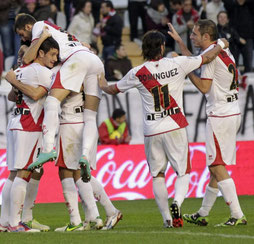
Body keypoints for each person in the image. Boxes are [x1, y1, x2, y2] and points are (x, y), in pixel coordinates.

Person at [98, 29, 229, 228]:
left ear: (143, 50)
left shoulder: (137, 72)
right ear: (161, 47)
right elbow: (208, 57)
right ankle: (177, 202)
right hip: (175, 124)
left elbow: (113, 89)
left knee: (157, 175)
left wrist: (100, 81)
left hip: (152, 129)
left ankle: (167, 218)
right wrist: (222, 44)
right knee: (183, 172)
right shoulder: (177, 63)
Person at [14, 14, 104, 224]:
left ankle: (48, 149)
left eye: (23, 34)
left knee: (52, 102)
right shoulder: (60, 33)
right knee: (91, 116)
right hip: (93, 59)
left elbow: (28, 58)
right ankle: (85, 156)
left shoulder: (39, 26)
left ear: (29, 26)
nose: (25, 39)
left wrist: (28, 49)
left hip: (77, 64)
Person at [168, 19, 247, 227]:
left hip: (219, 115)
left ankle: (237, 214)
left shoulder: (210, 58)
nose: (191, 36)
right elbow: (196, 60)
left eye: (194, 34)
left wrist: (185, 71)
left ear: (205, 36)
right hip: (232, 111)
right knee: (215, 168)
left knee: (216, 164)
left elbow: (204, 87)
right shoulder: (218, 51)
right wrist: (180, 44)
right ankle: (203, 213)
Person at [0, 37, 59, 232]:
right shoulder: (42, 72)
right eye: (52, 54)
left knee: (13, 174)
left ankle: (3, 223)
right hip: (29, 124)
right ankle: (15, 224)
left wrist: (15, 82)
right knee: (24, 173)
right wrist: (15, 82)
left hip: (15, 121)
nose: (55, 58)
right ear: (39, 53)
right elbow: (35, 95)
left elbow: (11, 96)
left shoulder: (19, 71)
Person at [53, 83, 122, 231]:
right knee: (81, 172)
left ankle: (79, 220)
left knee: (67, 171)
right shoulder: (93, 74)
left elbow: (54, 97)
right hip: (88, 124)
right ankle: (101, 214)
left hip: (71, 123)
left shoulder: (73, 74)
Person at [222, 0, 254, 73]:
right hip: (234, 39)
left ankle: (246, 82)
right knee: (232, 63)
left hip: (248, 38)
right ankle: (233, 82)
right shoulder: (232, 5)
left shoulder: (251, 5)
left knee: (248, 64)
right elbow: (226, 2)